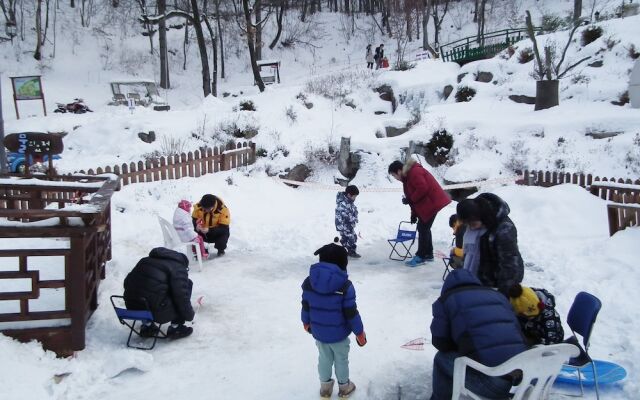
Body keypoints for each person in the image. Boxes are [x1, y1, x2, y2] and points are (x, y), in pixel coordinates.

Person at [430, 269, 528, 400]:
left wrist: (462, 340)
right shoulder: (499, 296)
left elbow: (440, 343)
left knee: (442, 359)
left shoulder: (445, 300)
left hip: (495, 385)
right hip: (524, 379)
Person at [301, 239, 367, 398]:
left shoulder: (309, 282)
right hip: (339, 336)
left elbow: (305, 305)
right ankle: (344, 388)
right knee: (341, 361)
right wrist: (360, 332)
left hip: (319, 334)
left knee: (324, 359)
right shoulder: (345, 286)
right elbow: (351, 313)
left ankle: (325, 388)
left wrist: (306, 322)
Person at [456, 192, 524, 295]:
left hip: (498, 282)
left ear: (483, 216)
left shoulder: (504, 229)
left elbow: (509, 264)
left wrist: (504, 294)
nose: (471, 228)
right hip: (481, 279)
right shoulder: (474, 222)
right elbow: (468, 255)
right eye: (468, 224)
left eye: (473, 224)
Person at [388, 159, 451, 267]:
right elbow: (413, 199)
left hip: (433, 202)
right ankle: (428, 254)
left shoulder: (414, 172)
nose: (396, 178)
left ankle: (421, 256)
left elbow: (423, 188)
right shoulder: (407, 178)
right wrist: (413, 215)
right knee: (424, 227)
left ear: (399, 171)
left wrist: (410, 199)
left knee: (423, 228)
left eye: (394, 175)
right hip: (428, 204)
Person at [123, 247, 195, 340]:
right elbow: (181, 297)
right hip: (155, 311)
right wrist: (189, 315)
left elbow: (127, 282)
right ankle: (176, 327)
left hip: (132, 306)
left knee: (144, 291)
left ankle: (147, 325)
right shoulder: (178, 267)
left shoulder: (144, 261)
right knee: (186, 284)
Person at [335, 185, 360, 258]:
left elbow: (353, 210)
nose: (355, 198)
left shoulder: (349, 201)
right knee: (350, 238)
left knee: (352, 237)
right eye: (354, 196)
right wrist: (341, 227)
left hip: (349, 225)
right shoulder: (342, 204)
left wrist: (355, 216)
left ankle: (349, 251)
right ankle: (342, 251)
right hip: (343, 226)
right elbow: (343, 216)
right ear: (349, 195)